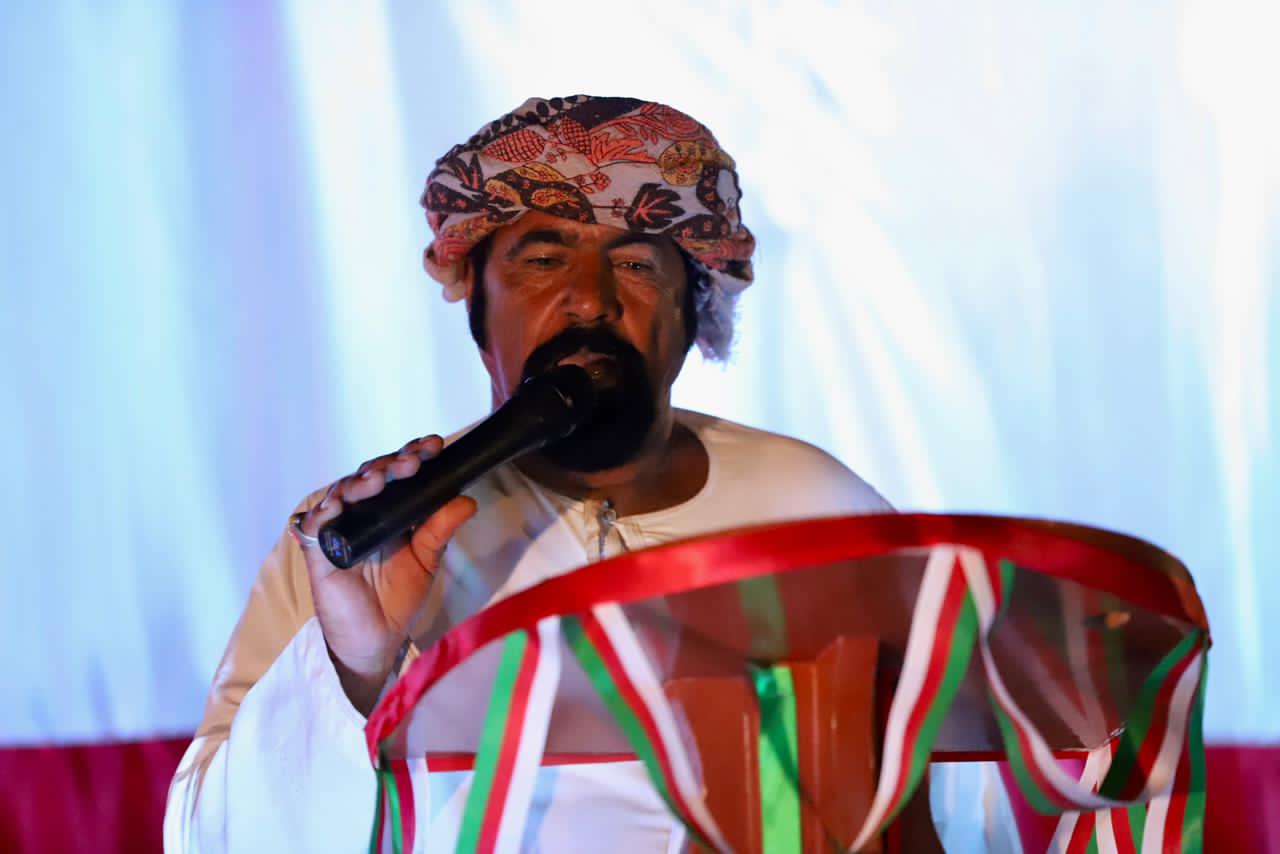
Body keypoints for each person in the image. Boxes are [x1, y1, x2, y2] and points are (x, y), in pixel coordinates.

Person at [164, 94, 939, 852]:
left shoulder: (821, 514)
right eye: (542, 260)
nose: (590, 301)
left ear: (692, 312)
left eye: (635, 264)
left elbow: (954, 801)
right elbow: (210, 843)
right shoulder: (358, 544)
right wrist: (353, 668)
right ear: (476, 307)